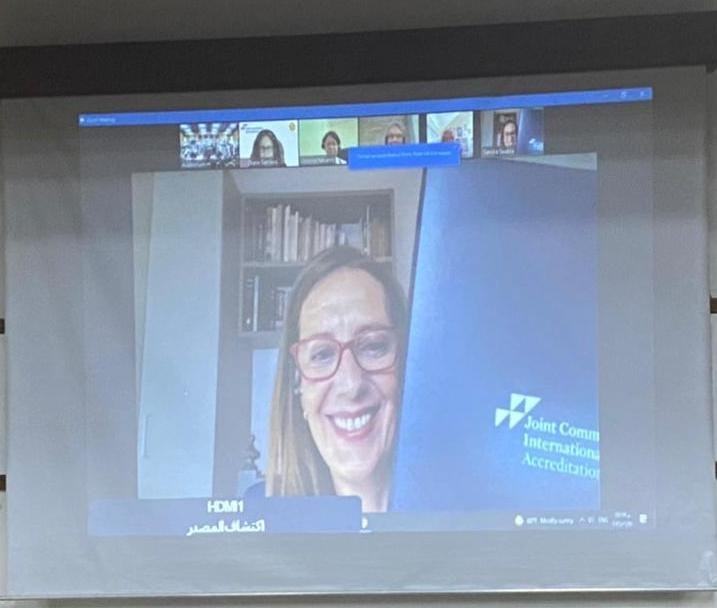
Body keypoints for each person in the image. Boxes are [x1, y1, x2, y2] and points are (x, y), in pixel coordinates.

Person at [266, 246, 407, 513]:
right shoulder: (257, 518)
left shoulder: (472, 512)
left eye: (374, 346)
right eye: (322, 354)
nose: (351, 385)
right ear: (297, 383)